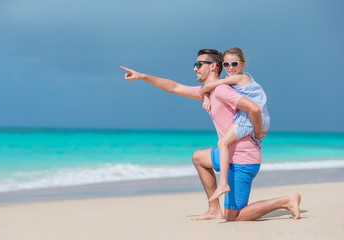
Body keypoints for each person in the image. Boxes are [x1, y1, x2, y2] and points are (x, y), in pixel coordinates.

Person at [120, 48, 301, 222]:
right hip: (228, 155)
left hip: (242, 159)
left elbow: (253, 108)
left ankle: (285, 201)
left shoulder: (222, 90)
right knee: (199, 157)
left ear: (213, 66)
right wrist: (143, 76)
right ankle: (214, 210)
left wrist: (259, 132)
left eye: (198, 64)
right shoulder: (210, 90)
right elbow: (174, 87)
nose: (194, 68)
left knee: (234, 217)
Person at [198, 47, 270, 203]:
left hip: (250, 117)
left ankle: (223, 183)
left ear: (243, 65)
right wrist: (207, 97)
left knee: (223, 142)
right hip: (252, 116)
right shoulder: (234, 81)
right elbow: (211, 88)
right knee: (207, 152)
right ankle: (221, 188)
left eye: (234, 64)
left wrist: (206, 94)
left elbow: (212, 85)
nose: (230, 68)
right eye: (226, 65)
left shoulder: (239, 78)